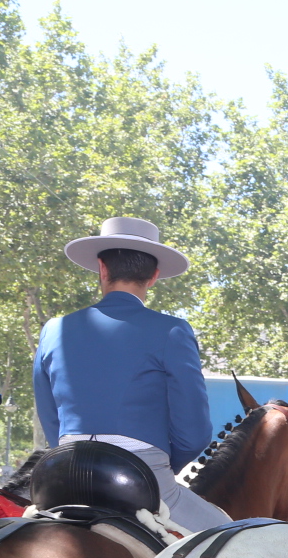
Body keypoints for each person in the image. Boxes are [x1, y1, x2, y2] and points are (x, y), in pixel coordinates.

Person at [34, 217, 229, 533]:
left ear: (102, 269)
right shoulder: (173, 331)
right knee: (232, 537)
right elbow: (193, 432)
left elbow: (50, 418)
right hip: (140, 476)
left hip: (66, 473)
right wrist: (161, 466)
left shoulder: (54, 329)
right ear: (153, 276)